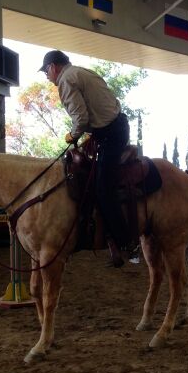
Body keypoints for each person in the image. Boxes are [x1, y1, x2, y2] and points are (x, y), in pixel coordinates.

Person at [39, 49, 131, 267]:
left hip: (110, 134)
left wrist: (72, 135)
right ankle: (111, 244)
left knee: (103, 188)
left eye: (46, 72)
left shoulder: (66, 80)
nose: (47, 76)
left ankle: (126, 240)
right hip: (110, 130)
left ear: (53, 67)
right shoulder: (81, 72)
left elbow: (80, 117)